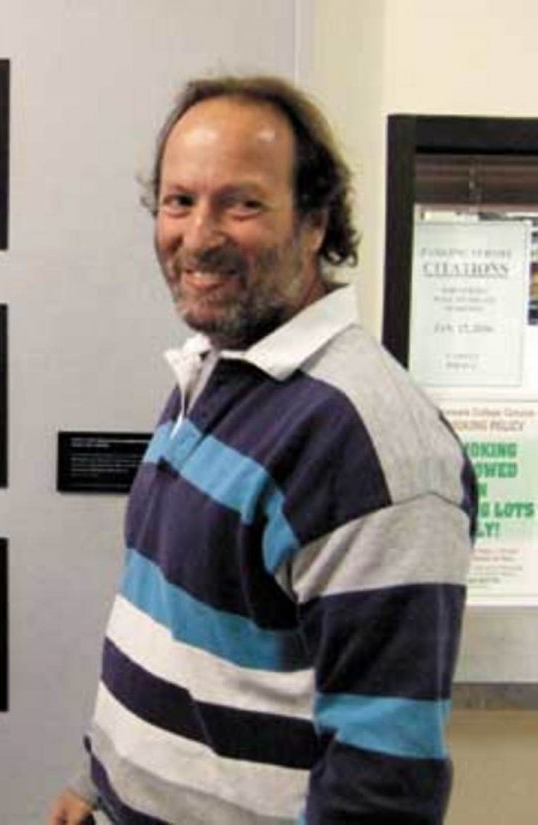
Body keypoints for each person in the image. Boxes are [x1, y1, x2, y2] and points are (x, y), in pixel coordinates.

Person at [48, 75, 477, 825]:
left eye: (240, 203)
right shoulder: (215, 371)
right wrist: (100, 783)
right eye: (180, 201)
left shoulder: (372, 447)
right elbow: (183, 637)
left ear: (315, 222)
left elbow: (384, 783)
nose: (199, 234)